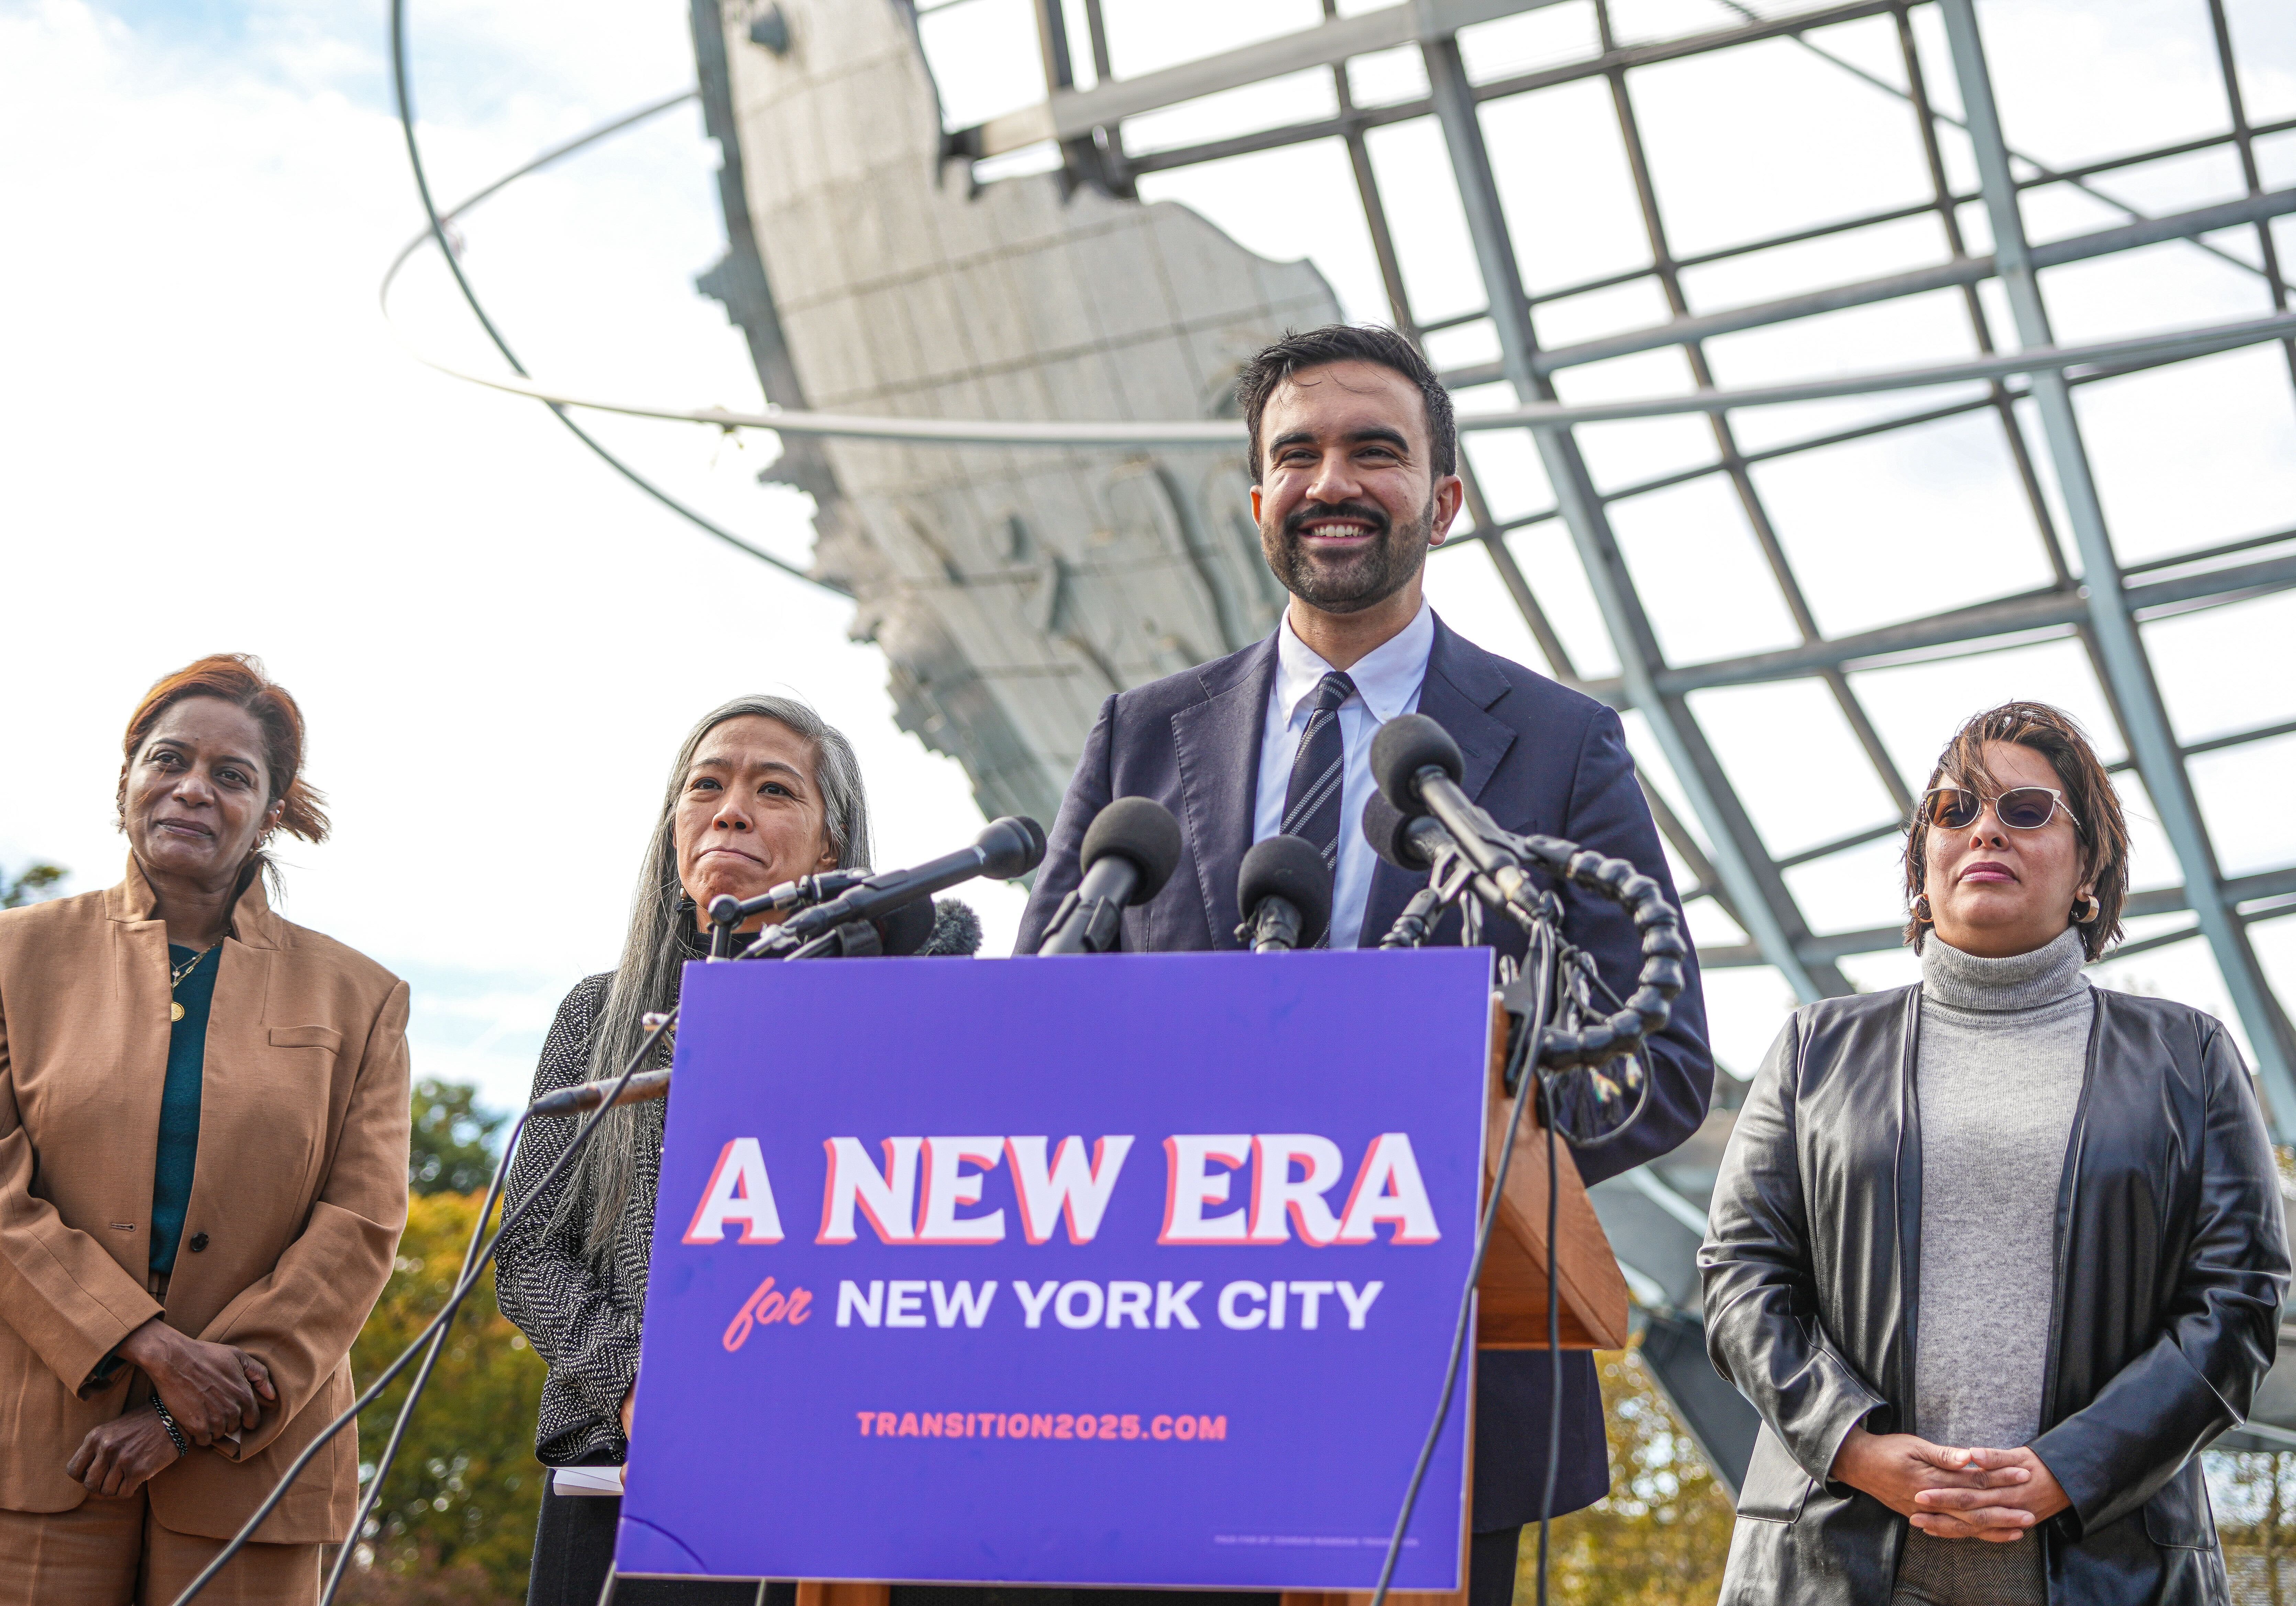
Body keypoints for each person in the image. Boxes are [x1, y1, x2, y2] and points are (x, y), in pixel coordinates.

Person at [1016, 323, 1714, 1605]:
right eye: (1298, 455)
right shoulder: (1139, 735)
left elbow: (1656, 1064)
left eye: (1374, 452)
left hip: (1441, 1383)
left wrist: (1433, 1171)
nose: (1331, 482)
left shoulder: (1561, 743)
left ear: (1443, 502)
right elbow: (1036, 1037)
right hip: (1152, 1380)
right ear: (1258, 501)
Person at [1701, 700, 2289, 1605]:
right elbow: (1741, 1275)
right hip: (1833, 1562)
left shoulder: (2192, 1056)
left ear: (2088, 867)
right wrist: (1853, 1446)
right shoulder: (1816, 1049)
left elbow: (2238, 1299)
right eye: (1955, 810)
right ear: (1922, 865)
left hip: (2113, 1568)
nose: (1985, 830)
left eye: (2026, 810)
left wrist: (2071, 1469)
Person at [496, 696, 977, 1606]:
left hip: (832, 1483)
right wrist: (635, 1385)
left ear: (832, 848)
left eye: (774, 790)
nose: (730, 811)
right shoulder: (597, 1015)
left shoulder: (906, 1020)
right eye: (706, 787)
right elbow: (527, 1255)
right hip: (621, 1481)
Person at [0, 653, 411, 1604]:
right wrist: (148, 1346)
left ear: (271, 811)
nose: (194, 789)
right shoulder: (14, 959)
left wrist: (186, 1417)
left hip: (254, 1469)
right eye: (169, 760)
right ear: (126, 780)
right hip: (39, 1454)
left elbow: (361, 1229)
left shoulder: (362, 998)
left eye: (232, 775)